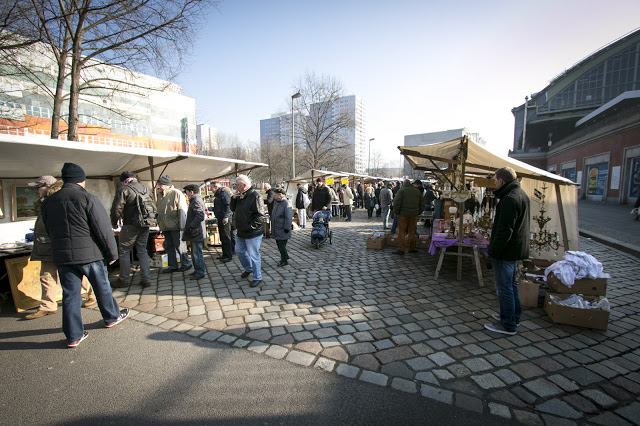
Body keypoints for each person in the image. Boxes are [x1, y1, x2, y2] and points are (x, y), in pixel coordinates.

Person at [41, 163, 128, 348]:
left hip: (63, 256)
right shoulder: (87, 198)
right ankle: (111, 317)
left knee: (70, 295)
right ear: (82, 180)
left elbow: (49, 229)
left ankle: (73, 336)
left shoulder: (49, 201)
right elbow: (103, 229)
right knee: (101, 287)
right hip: (90, 254)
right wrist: (112, 253)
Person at [25, 176, 96, 320]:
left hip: (60, 243)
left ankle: (93, 294)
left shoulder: (57, 201)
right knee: (46, 276)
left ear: (48, 186)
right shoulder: (46, 202)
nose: (37, 190)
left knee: (78, 272)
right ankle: (48, 305)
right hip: (46, 243)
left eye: (39, 187)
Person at [485, 167, 530, 336]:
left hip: (507, 251)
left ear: (502, 181)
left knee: (504, 288)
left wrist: (493, 252)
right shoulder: (520, 194)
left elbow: (505, 231)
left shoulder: (509, 199)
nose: (495, 183)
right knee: (511, 285)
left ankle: (508, 323)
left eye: (495, 180)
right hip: (514, 249)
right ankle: (513, 315)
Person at [110, 171, 156, 288]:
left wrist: (114, 222)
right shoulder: (145, 188)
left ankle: (124, 279)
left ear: (123, 180)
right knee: (142, 251)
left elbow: (117, 208)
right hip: (145, 224)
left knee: (124, 251)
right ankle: (146, 279)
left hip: (130, 224)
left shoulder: (124, 189)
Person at [231, 175, 265, 288]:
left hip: (252, 232)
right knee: (239, 251)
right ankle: (249, 268)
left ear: (244, 185)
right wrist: (233, 199)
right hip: (241, 231)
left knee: (253, 255)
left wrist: (250, 227)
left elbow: (260, 216)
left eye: (237, 185)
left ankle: (257, 277)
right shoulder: (241, 195)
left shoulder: (255, 196)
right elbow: (232, 209)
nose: (235, 187)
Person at [156, 175, 192, 273]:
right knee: (168, 246)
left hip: (176, 225)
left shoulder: (177, 193)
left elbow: (182, 210)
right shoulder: (159, 195)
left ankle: (186, 263)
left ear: (166, 185)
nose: (158, 187)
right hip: (165, 225)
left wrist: (182, 226)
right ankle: (172, 265)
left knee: (179, 245)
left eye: (160, 185)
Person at [392, 179, 424, 255]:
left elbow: (396, 202)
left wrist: (396, 212)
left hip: (403, 214)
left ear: (403, 184)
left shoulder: (401, 191)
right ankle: (411, 248)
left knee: (401, 232)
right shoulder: (417, 191)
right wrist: (418, 212)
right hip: (414, 215)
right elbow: (422, 203)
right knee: (412, 232)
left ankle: (401, 249)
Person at [182, 184, 207, 280]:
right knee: (194, 253)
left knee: (197, 253)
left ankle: (200, 272)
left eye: (187, 192)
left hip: (196, 231)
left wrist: (191, 226)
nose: (186, 194)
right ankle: (197, 270)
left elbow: (200, 215)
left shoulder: (196, 200)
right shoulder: (195, 200)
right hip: (195, 231)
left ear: (191, 192)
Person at [271, 188, 292, 266]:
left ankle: (284, 260)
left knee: (281, 245)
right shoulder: (276, 202)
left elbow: (288, 216)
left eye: (275, 194)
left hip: (283, 228)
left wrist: (287, 227)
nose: (273, 195)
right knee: (279, 244)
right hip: (276, 227)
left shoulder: (286, 203)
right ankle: (285, 256)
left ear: (280, 195)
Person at [212, 181, 233, 262]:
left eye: (211, 187)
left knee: (226, 237)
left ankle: (228, 255)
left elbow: (228, 205)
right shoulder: (219, 194)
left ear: (216, 187)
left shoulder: (224, 193)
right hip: (220, 217)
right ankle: (225, 254)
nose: (211, 189)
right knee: (222, 237)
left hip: (225, 218)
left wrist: (226, 216)